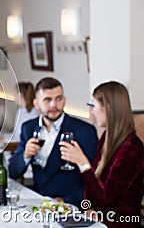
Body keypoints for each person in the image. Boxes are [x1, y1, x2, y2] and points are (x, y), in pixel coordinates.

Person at [60, 81, 143, 228]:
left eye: (94, 106)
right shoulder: (106, 137)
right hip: (101, 220)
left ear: (108, 108)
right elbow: (94, 183)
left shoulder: (131, 149)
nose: (92, 112)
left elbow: (106, 198)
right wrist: (88, 208)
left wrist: (83, 164)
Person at [8, 77, 98, 206]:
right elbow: (13, 172)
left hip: (71, 205)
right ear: (36, 104)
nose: (54, 105)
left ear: (64, 101)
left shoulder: (84, 131)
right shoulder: (28, 128)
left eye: (59, 99)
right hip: (38, 201)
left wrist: (66, 201)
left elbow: (93, 179)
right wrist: (25, 156)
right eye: (47, 100)